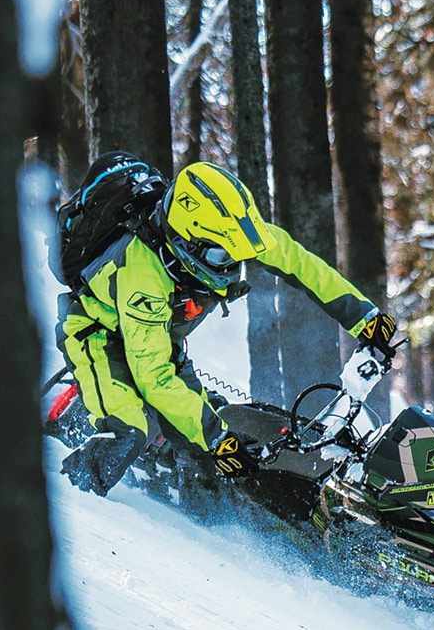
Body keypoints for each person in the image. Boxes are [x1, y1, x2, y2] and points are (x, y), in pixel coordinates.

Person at [56, 153, 397, 497]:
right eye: (222, 256)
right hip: (99, 338)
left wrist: (362, 317)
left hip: (157, 340)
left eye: (235, 255)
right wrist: (218, 438)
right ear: (187, 241)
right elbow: (155, 378)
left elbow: (297, 261)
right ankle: (67, 494)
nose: (231, 264)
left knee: (203, 444)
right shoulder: (142, 275)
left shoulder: (230, 231)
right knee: (130, 433)